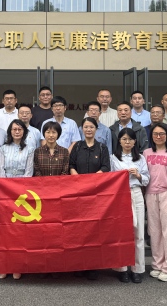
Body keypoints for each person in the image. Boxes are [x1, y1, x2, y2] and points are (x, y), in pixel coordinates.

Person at [69, 117, 111, 281]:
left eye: (91, 127)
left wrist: (91, 180)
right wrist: (79, 180)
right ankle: (79, 264)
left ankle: (93, 266)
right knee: (79, 230)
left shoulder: (102, 147)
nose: (88, 130)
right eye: (86, 127)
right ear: (82, 129)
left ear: (96, 129)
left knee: (94, 230)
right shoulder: (77, 146)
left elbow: (106, 167)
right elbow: (71, 165)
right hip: (78, 193)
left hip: (96, 194)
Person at [110, 128, 150, 283]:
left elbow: (147, 179)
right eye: (124, 139)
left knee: (138, 232)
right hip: (120, 195)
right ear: (119, 141)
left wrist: (138, 175)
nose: (127, 142)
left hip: (136, 192)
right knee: (121, 232)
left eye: (130, 139)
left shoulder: (140, 158)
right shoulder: (113, 158)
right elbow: (110, 178)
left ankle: (137, 269)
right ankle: (122, 269)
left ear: (135, 142)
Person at [0, 119, 35, 280]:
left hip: (22, 194)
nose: (17, 132)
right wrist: (7, 189)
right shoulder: (3, 148)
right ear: (10, 132)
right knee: (5, 231)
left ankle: (17, 266)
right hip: (5, 193)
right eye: (14, 129)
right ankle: (4, 266)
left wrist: (18, 190)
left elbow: (29, 172)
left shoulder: (30, 149)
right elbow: (1, 170)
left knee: (20, 232)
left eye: (20, 129)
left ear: (24, 131)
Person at [144, 123, 167, 282]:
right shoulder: (146, 153)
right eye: (155, 134)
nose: (158, 137)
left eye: (162, 134)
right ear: (151, 136)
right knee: (154, 231)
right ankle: (157, 265)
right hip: (151, 194)